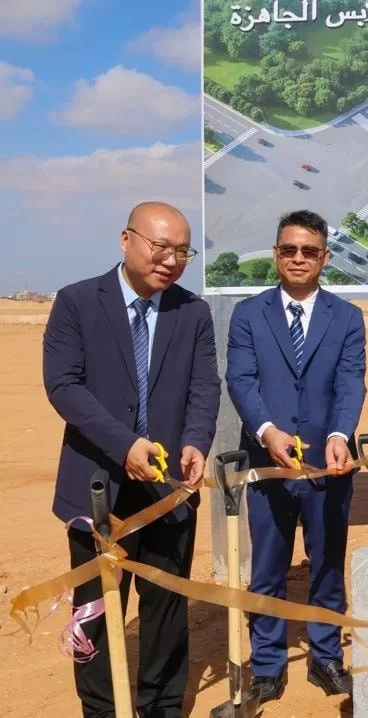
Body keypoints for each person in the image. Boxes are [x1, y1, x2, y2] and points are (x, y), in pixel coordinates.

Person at [43, 201, 219, 717]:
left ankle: (162, 705)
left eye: (182, 252)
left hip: (169, 489)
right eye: (161, 247)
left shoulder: (193, 312)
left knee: (165, 608)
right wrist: (124, 445)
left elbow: (204, 387)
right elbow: (64, 386)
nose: (171, 260)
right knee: (97, 609)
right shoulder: (77, 302)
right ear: (126, 240)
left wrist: (195, 441)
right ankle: (101, 709)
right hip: (98, 488)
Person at [224, 210, 366, 702]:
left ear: (325, 257)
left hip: (329, 464)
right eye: (289, 249)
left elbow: (350, 381)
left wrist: (340, 433)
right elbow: (241, 380)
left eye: (309, 251)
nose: (298, 258)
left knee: (327, 563)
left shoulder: (347, 317)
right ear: (276, 254)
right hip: (268, 464)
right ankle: (267, 666)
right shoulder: (249, 314)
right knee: (268, 568)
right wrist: (267, 431)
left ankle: (326, 658)